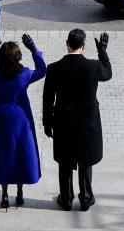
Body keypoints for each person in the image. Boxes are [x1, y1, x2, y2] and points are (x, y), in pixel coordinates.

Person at [42, 29, 112, 211]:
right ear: (83, 45)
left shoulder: (54, 68)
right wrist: (102, 51)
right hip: (88, 124)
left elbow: (48, 99)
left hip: (63, 123)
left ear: (67, 43)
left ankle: (66, 199)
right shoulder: (94, 66)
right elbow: (108, 73)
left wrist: (47, 123)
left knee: (65, 162)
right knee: (85, 161)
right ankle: (86, 199)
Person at [0, 35, 46, 208]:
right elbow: (42, 70)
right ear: (17, 57)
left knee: (4, 155)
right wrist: (33, 49)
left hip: (3, 119)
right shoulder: (24, 74)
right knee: (21, 154)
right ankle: (20, 193)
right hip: (22, 119)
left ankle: (4, 196)